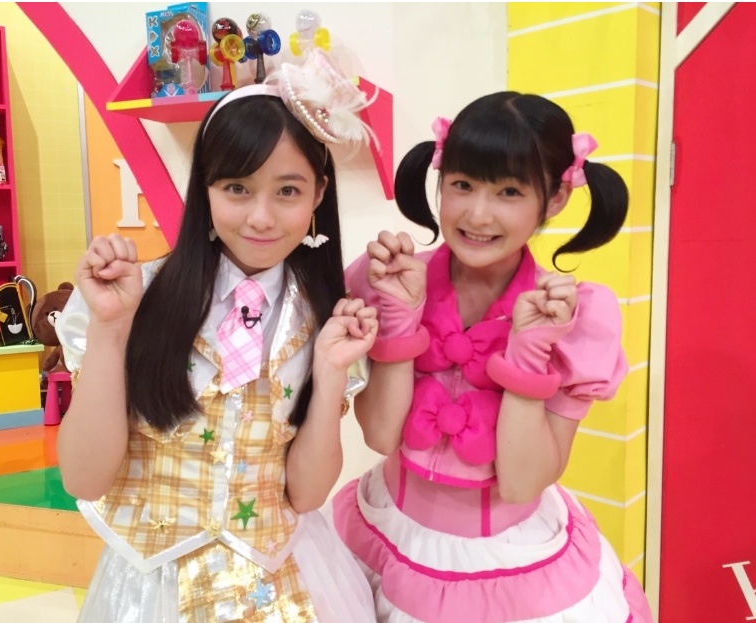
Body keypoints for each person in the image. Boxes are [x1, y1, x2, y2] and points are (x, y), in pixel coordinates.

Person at [55, 50, 379, 623]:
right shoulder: (135, 296)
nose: (261, 217)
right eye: (236, 188)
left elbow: (306, 496)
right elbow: (83, 478)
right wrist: (109, 331)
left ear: (319, 195)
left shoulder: (326, 320)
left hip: (286, 582)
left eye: (287, 191)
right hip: (153, 589)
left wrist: (330, 374)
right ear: (204, 188)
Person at [332, 91, 654, 623]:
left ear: (555, 198)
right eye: (462, 184)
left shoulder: (576, 318)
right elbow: (381, 436)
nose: (478, 214)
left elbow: (524, 482)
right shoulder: (390, 279)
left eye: (509, 191)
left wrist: (528, 356)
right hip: (387, 531)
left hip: (509, 560)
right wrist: (400, 319)